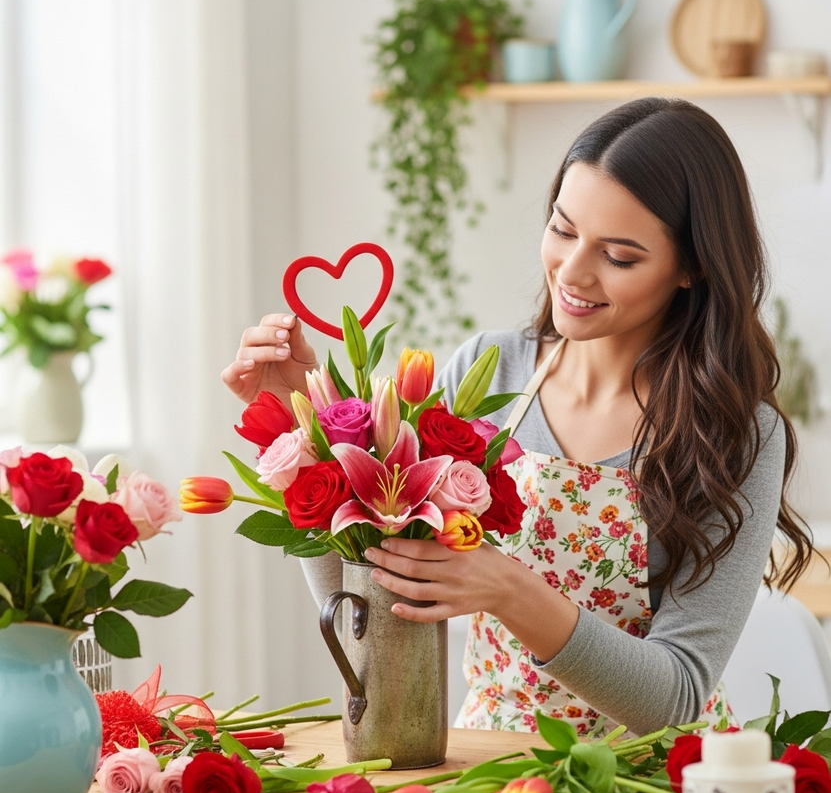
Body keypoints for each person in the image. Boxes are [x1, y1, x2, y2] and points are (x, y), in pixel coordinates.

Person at [222, 97, 812, 736]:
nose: (573, 272)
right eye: (562, 229)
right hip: (491, 758)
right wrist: (299, 430)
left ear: (692, 268)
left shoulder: (737, 433)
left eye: (619, 256)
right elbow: (366, 613)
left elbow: (675, 697)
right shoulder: (488, 375)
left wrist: (509, 590)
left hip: (651, 773)